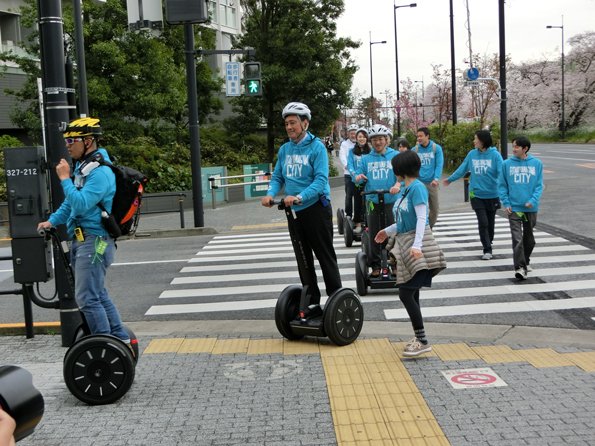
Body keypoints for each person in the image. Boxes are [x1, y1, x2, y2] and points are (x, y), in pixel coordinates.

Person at [37, 117, 132, 352]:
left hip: (96, 241)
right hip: (83, 241)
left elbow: (80, 204)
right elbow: (71, 205)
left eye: (73, 140)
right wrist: (51, 221)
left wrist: (63, 179)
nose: (68, 144)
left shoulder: (100, 173)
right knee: (96, 292)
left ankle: (103, 348)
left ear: (88, 141)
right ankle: (121, 340)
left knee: (87, 297)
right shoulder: (84, 167)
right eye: (67, 140)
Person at [262, 102, 342, 302]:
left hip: (316, 209)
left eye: (293, 123)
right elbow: (278, 177)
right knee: (303, 258)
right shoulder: (285, 149)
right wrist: (270, 194)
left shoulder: (317, 148)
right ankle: (311, 301)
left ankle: (336, 300)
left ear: (304, 123)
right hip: (294, 212)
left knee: (325, 256)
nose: (289, 127)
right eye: (287, 123)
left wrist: (300, 196)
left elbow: (321, 180)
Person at [375, 150, 446, 357]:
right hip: (408, 245)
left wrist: (417, 246)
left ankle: (423, 340)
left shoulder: (417, 189)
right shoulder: (406, 189)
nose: (393, 171)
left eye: (395, 168)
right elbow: (404, 220)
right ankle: (419, 337)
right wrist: (387, 231)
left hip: (417, 247)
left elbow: (422, 218)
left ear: (401, 169)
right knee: (412, 293)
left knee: (405, 293)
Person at [443, 130, 503, 260]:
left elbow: (501, 173)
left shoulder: (495, 155)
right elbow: (463, 168)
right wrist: (450, 179)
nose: (474, 141)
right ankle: (487, 249)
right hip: (476, 194)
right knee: (483, 222)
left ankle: (488, 240)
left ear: (483, 140)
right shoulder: (472, 154)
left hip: (492, 194)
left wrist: (506, 188)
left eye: (476, 139)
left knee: (490, 223)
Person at [354, 124, 399, 276]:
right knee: (374, 233)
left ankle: (395, 264)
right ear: (370, 142)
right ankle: (376, 265)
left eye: (380, 139)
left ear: (386, 139)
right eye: (374, 140)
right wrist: (358, 177)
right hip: (372, 202)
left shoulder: (395, 156)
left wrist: (398, 184)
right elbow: (358, 177)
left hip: (392, 201)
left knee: (393, 234)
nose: (378, 142)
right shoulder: (366, 159)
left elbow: (404, 175)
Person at [498, 136, 543, 280]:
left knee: (529, 239)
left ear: (525, 149)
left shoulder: (536, 163)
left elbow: (539, 185)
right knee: (517, 239)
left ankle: (526, 260)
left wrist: (533, 200)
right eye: (513, 146)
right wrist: (507, 203)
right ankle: (520, 267)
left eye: (517, 146)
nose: (513, 149)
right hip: (514, 208)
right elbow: (502, 186)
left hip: (530, 207)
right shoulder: (506, 164)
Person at [412, 127, 443, 228]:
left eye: (421, 136)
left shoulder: (436, 148)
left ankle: (429, 228)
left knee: (435, 209)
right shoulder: (415, 150)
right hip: (419, 183)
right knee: (421, 208)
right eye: (418, 136)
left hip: (432, 183)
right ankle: (422, 229)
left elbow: (439, 164)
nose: (419, 138)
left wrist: (436, 179)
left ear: (427, 136)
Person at [347, 128, 371, 234]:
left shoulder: (370, 152)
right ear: (356, 138)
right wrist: (353, 173)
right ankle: (358, 223)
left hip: (368, 181)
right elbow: (350, 165)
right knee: (357, 202)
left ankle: (368, 223)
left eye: (363, 136)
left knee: (368, 203)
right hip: (356, 181)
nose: (362, 139)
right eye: (359, 137)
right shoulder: (352, 151)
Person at [339, 124, 359, 220]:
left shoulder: (360, 144)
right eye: (351, 133)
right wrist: (346, 165)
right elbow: (342, 155)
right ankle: (349, 215)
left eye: (355, 133)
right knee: (349, 196)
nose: (353, 135)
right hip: (348, 174)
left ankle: (360, 216)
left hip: (359, 175)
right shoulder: (345, 144)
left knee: (359, 197)